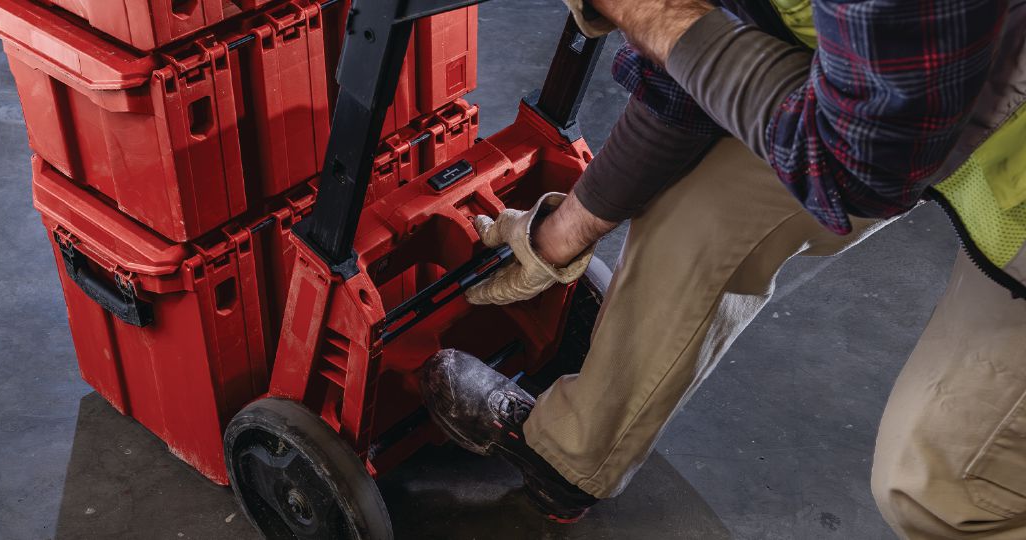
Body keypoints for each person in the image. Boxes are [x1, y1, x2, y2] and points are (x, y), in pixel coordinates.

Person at [419, 0, 1026, 536]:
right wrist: (556, 238)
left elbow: (857, 171)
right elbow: (686, 81)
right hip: (896, 109)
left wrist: (641, 8)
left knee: (944, 490)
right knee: (700, 216)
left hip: (953, 153)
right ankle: (570, 461)